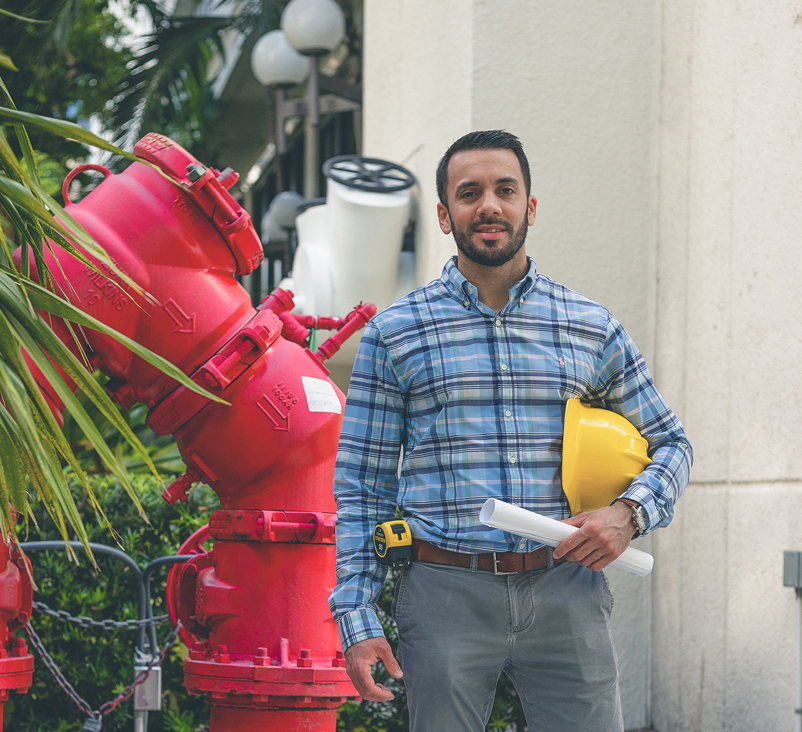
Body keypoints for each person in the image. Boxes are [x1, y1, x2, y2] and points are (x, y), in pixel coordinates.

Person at [328, 130, 693, 731]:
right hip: (444, 590)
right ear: (445, 216)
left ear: (530, 206)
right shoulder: (396, 333)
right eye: (469, 193)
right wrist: (358, 617)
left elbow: (672, 444)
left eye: (506, 189)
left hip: (566, 588)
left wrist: (627, 514)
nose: (489, 206)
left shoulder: (589, 326)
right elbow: (361, 487)